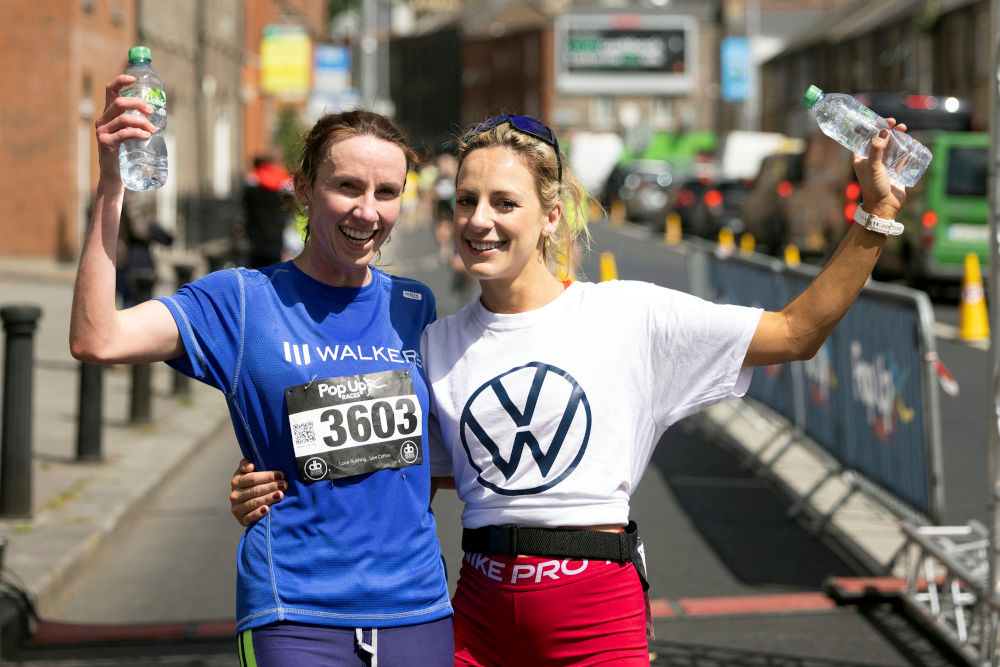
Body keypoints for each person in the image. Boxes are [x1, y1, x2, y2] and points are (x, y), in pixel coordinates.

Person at [230, 114, 908, 665]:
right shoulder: (436, 344)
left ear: (549, 216)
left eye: (504, 203)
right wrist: (272, 476)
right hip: (476, 619)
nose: (479, 221)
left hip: (595, 615)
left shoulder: (629, 316)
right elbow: (394, 467)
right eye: (466, 201)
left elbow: (795, 331)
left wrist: (875, 216)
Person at [70, 73, 454, 666]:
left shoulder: (414, 306)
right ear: (302, 188)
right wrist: (110, 187)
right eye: (346, 186)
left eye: (387, 192)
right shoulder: (244, 301)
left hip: (416, 607)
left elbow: (422, 456)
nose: (366, 211)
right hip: (295, 610)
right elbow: (97, 338)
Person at [242, 152, 294, 269]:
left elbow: (245, 206)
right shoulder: (286, 183)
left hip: (255, 236)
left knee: (254, 271)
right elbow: (288, 210)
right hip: (276, 237)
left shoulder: (252, 179)